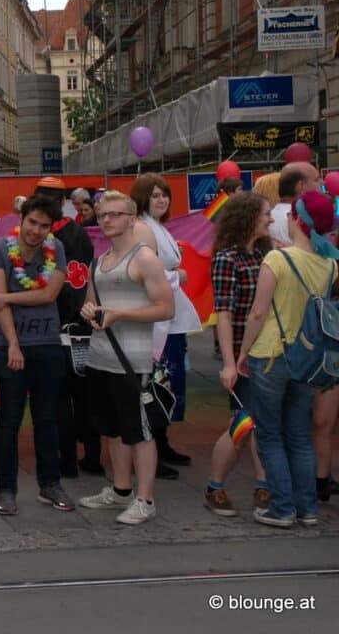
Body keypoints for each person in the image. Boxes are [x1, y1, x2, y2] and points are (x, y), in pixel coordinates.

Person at [237, 190, 337, 528]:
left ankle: (281, 508)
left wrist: (241, 353)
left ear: (297, 219)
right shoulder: (331, 264)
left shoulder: (277, 260)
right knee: (299, 435)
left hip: (270, 355)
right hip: (308, 360)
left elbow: (258, 313)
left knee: (269, 434)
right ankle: (307, 508)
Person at [78, 191, 174, 525]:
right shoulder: (100, 261)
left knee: (139, 431)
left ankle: (145, 498)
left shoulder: (144, 258)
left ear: (132, 218)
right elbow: (91, 307)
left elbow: (166, 307)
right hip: (100, 357)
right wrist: (91, 312)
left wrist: (119, 315)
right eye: (103, 214)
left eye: (115, 214)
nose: (107, 220)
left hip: (133, 361)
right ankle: (120, 490)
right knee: (112, 429)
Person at [0, 195, 75, 515]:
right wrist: (12, 344)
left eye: (44, 226)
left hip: (48, 343)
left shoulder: (57, 249)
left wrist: (5, 295)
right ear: (22, 218)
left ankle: (50, 484)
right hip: (9, 346)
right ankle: (5, 490)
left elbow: (49, 293)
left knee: (48, 419)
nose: (36, 231)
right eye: (32, 222)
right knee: (8, 420)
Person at [131, 174, 203, 479]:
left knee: (168, 383)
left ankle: (162, 441)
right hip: (158, 318)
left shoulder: (157, 227)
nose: (161, 200)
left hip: (171, 315)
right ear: (143, 198)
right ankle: (153, 448)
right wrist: (178, 277)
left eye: (165, 195)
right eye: (155, 195)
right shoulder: (143, 228)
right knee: (158, 383)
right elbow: (145, 272)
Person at [207, 192, 271, 517]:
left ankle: (263, 484)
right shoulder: (227, 259)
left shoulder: (262, 256)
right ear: (248, 218)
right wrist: (230, 363)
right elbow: (224, 313)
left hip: (264, 353)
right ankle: (215, 485)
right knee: (242, 423)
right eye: (265, 214)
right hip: (241, 356)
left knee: (260, 423)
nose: (270, 219)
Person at [33, 177, 101, 477]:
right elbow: (86, 276)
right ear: (63, 202)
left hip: (51, 326)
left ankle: (67, 461)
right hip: (81, 324)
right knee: (86, 393)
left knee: (58, 397)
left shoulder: (40, 239)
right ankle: (94, 457)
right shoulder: (81, 234)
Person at [270, 162, 320, 248]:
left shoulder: (268, 217)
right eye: (316, 180)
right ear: (300, 186)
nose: (322, 183)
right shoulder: (305, 219)